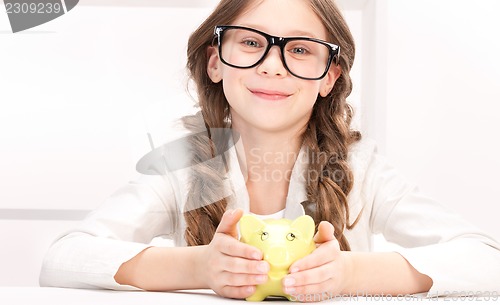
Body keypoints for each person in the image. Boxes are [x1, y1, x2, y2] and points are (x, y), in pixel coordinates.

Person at [40, 0, 500, 301]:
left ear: (330, 76)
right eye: (252, 43)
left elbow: (486, 260)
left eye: (300, 50)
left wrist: (347, 275)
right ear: (216, 61)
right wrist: (201, 267)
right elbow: (62, 261)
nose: (274, 66)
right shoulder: (184, 164)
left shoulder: (360, 166)